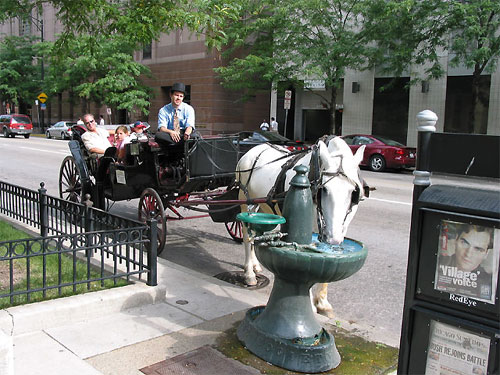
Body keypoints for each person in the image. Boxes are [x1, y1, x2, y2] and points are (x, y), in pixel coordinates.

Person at [437, 224, 494, 301]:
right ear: (456, 240)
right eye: (464, 243)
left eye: (478, 249)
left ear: (486, 254)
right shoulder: (438, 263)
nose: (468, 254)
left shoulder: (489, 282)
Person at [155, 82, 195, 146]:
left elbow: (190, 125)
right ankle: (180, 144)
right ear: (171, 95)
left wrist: (187, 134)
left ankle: (177, 144)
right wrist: (171, 132)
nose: (178, 98)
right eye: (176, 95)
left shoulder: (189, 109)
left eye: (181, 96)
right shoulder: (163, 110)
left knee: (196, 136)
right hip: (170, 134)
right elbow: (162, 128)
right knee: (158, 136)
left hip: (183, 134)